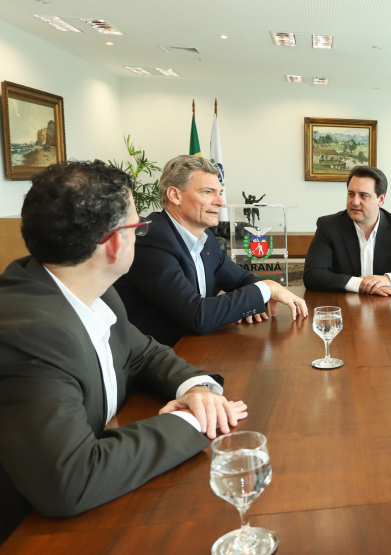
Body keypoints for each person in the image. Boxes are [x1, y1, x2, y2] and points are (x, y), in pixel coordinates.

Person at [0, 161, 248, 541]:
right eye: (138, 227)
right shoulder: (31, 333)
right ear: (116, 243)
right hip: (32, 532)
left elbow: (144, 354)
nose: (141, 234)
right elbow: (71, 479)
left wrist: (197, 390)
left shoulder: (94, 288)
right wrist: (194, 422)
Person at [115, 155, 307, 346]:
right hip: (157, 359)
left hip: (194, 348)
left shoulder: (207, 240)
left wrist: (248, 304)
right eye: (208, 192)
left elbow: (242, 280)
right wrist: (268, 289)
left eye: (220, 192)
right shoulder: (152, 239)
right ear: (175, 195)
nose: (220, 202)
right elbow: (198, 316)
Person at [303, 165, 391, 295]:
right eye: (351, 194)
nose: (355, 202)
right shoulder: (328, 226)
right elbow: (313, 275)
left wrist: (387, 280)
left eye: (363, 195)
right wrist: (359, 284)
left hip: (389, 307)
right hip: (344, 306)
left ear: (381, 199)